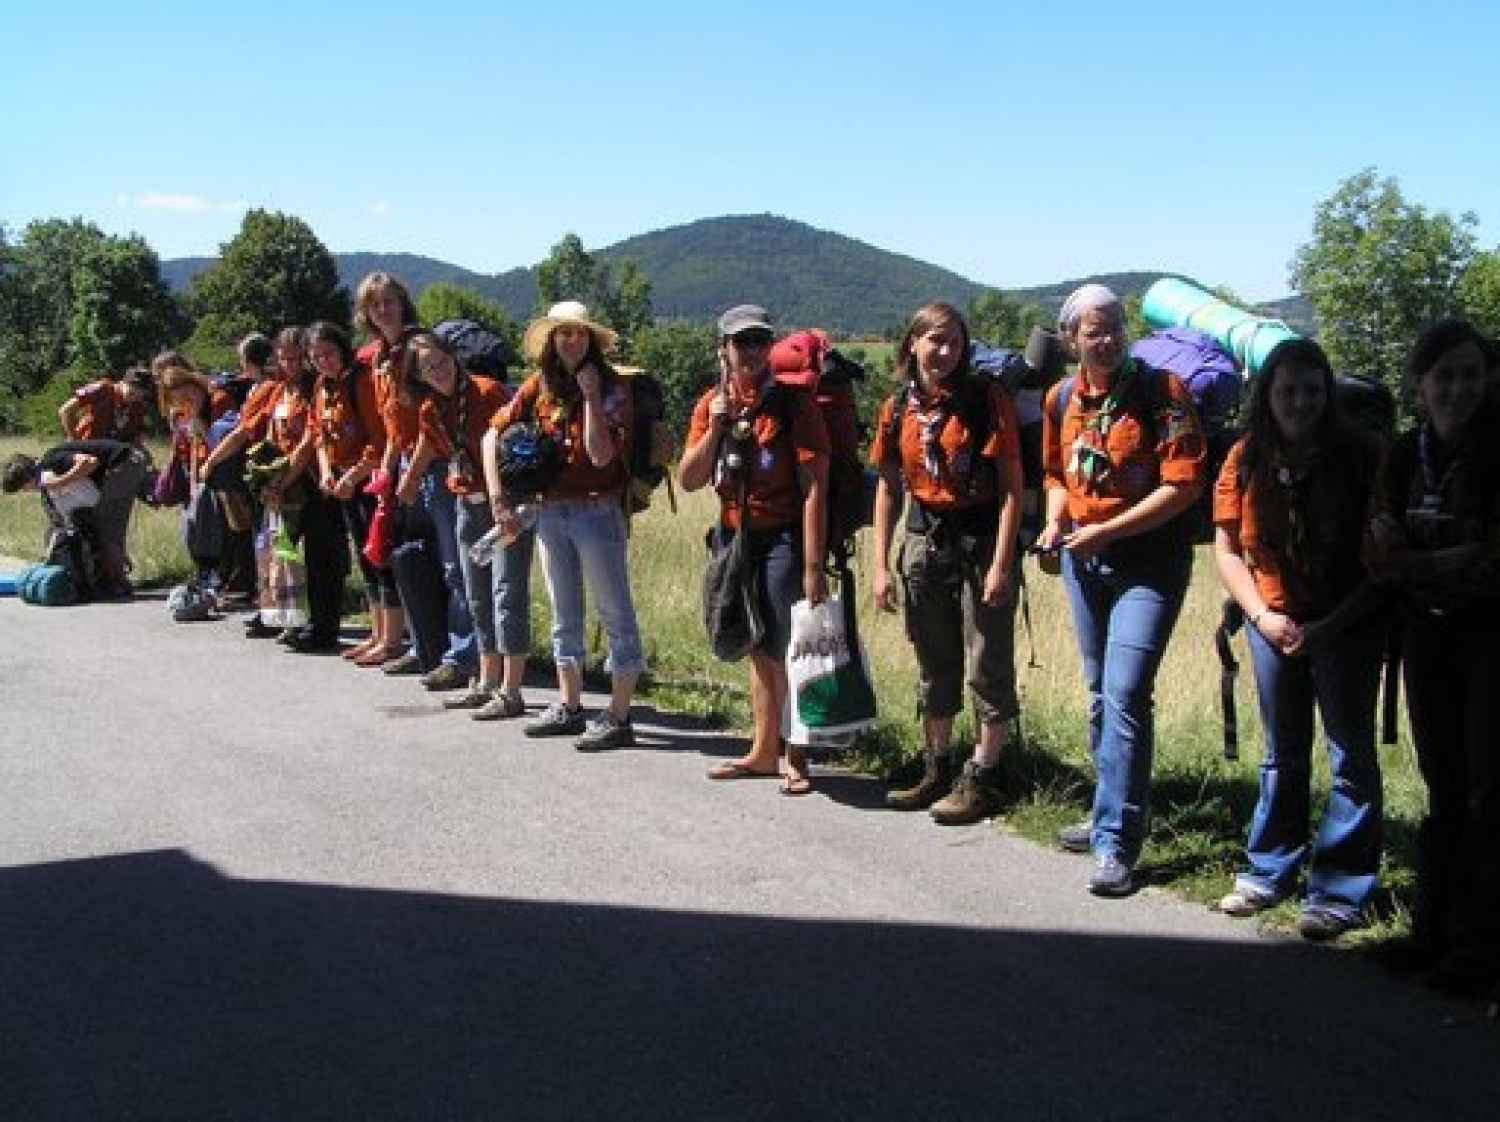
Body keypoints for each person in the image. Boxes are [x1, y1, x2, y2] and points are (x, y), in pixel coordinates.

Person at [1213, 337, 1389, 940]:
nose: (1300, 401)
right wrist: (1262, 616)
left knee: (1349, 756)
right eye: (1287, 390)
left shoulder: (1363, 456)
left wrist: (1330, 625)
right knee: (1282, 752)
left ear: (1328, 393)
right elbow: (1228, 548)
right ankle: (1269, 868)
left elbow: (1380, 559)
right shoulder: (1245, 457)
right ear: (1268, 395)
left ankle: (1340, 887)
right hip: (1273, 623)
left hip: (1347, 624)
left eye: (1312, 390)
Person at [1036, 284, 1206, 896]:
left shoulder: (1165, 394)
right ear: (1070, 339)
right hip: (1087, 560)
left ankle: (1116, 844)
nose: (1105, 339)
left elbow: (1183, 485)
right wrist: (1057, 520)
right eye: (1092, 330)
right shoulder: (1062, 399)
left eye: (1113, 327)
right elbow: (1056, 474)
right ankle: (1109, 809)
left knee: (1127, 690)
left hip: (1149, 562)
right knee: (1101, 693)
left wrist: (1106, 530)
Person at [1365, 318, 1500, 997]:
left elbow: (1496, 570)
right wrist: (1446, 557)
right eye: (1445, 375)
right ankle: (1430, 933)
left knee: (1486, 794)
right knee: (1443, 788)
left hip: (1487, 640)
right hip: (1426, 634)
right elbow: (1375, 558)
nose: (1459, 389)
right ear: (1420, 383)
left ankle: (1477, 951)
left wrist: (1412, 559)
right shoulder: (1401, 455)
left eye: (1472, 374)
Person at [869, 301, 1023, 824]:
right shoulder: (898, 407)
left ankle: (983, 776)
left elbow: (1010, 489)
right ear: (911, 343)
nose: (944, 351)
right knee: (934, 661)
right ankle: (938, 765)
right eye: (934, 340)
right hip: (924, 538)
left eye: (954, 342)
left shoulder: (986, 400)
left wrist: (1003, 564)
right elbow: (889, 487)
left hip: (980, 540)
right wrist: (880, 566)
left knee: (987, 662)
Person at [679, 304, 829, 793]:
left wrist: (812, 565)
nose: (751, 351)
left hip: (783, 533)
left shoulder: (792, 405)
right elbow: (689, 478)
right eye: (741, 342)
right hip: (734, 536)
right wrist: (718, 426)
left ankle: (797, 755)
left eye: (760, 341)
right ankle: (764, 750)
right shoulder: (712, 405)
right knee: (757, 645)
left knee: (793, 647)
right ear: (721, 348)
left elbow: (813, 488)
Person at [485, 300, 645, 751]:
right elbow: (493, 433)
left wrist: (591, 395)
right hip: (552, 511)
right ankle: (571, 706)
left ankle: (618, 715)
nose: (571, 340)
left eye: (579, 333)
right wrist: (500, 498)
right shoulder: (540, 386)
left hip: (597, 511)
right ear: (552, 341)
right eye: (563, 333)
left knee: (615, 613)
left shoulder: (614, 388)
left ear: (590, 340)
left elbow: (599, 456)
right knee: (564, 613)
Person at [360, 272, 477, 691]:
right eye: (376, 304)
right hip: (408, 465)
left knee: (453, 565)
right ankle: (428, 644)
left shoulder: (415, 349)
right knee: (417, 561)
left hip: (435, 465)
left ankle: (463, 655)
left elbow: (431, 420)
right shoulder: (380, 356)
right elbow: (393, 425)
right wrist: (387, 473)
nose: (384, 310)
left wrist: (407, 475)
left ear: (403, 302)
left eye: (390, 301)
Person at [414, 333, 534, 720]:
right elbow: (445, 452)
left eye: (442, 362)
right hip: (468, 504)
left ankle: (512, 689)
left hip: (508, 504)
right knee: (476, 593)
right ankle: (485, 681)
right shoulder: (430, 410)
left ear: (453, 357)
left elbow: (516, 441)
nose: (439, 372)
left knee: (506, 593)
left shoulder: (487, 393)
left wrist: (512, 501)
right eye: (428, 368)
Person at [307, 321, 404, 666]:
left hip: (368, 480)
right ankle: (377, 635)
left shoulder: (361, 382)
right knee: (365, 558)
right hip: (344, 481)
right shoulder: (323, 386)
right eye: (316, 356)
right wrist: (326, 472)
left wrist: (352, 475)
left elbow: (379, 439)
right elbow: (318, 433)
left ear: (343, 349)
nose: (324, 361)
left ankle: (391, 639)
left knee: (380, 558)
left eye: (329, 353)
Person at [2, 437, 149, 598]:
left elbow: (90, 462)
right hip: (128, 462)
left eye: (24, 488)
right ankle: (115, 577)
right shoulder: (48, 471)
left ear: (27, 477)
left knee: (106, 527)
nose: (27, 491)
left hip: (125, 463)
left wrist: (59, 482)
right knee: (106, 526)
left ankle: (118, 585)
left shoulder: (51, 460)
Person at [58, 367, 151, 445]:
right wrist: (74, 439)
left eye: (141, 391)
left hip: (113, 451)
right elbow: (65, 410)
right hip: (86, 444)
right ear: (123, 382)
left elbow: (136, 435)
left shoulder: (138, 406)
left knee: (142, 458)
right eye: (133, 387)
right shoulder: (102, 389)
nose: (136, 394)